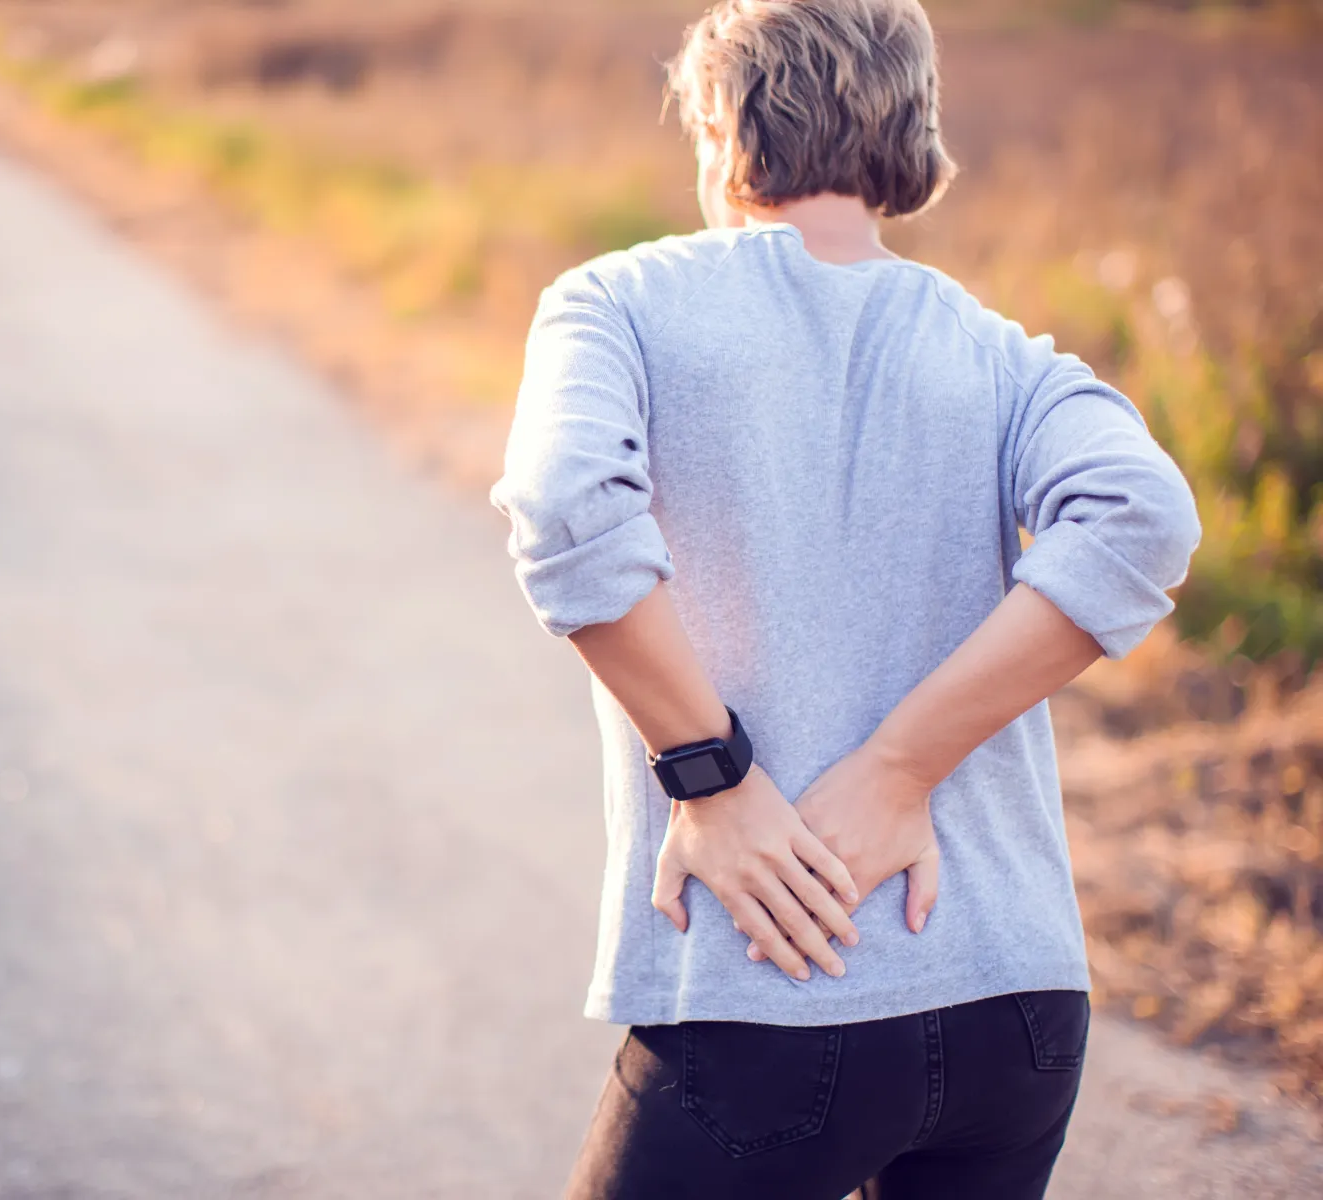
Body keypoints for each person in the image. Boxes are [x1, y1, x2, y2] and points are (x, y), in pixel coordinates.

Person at [489, 1, 1202, 1196]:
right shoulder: (994, 350)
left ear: (720, 126)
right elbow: (1144, 517)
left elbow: (565, 511)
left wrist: (710, 776)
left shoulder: (616, 303)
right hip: (1018, 1012)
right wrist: (902, 770)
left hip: (774, 995)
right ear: (907, 132)